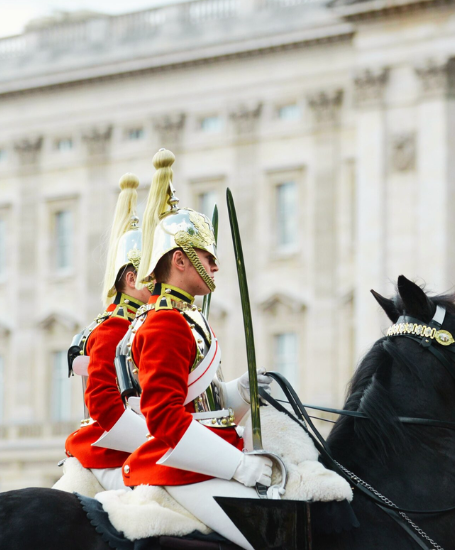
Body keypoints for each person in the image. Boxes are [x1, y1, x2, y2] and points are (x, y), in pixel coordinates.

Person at [119, 149, 273, 550]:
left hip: (206, 455)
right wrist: (239, 467)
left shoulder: (187, 317)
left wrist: (244, 389)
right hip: (183, 468)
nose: (217, 266)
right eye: (208, 257)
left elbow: (202, 401)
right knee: (274, 536)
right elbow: (166, 418)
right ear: (181, 261)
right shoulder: (167, 322)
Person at [61, 173, 151, 492]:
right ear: (129, 280)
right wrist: (162, 439)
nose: (158, 285)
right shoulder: (115, 328)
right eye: (150, 276)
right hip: (111, 453)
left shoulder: (141, 323)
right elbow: (103, 404)